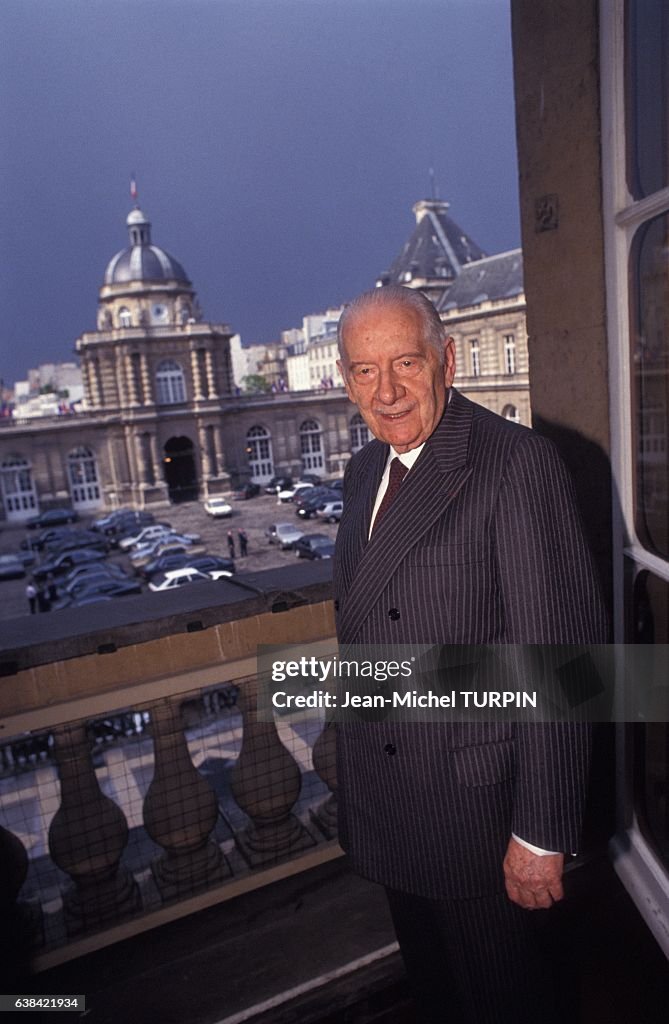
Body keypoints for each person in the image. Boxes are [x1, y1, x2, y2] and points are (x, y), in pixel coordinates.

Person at [333, 286, 608, 1023]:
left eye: (404, 363)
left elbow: (561, 667)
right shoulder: (363, 471)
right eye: (363, 370)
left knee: (506, 999)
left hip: (477, 814)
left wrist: (539, 833)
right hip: (392, 801)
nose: (385, 391)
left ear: (446, 361)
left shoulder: (516, 464)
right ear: (343, 377)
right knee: (436, 991)